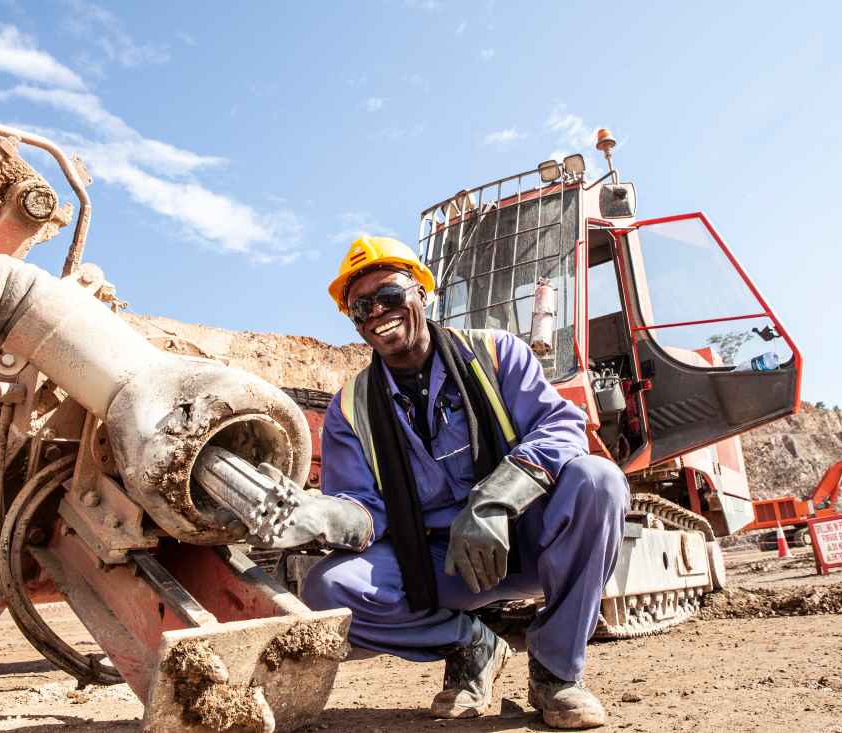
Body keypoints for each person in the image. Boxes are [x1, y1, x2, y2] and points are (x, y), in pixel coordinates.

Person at [265, 235, 629, 729]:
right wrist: (322, 515)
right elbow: (364, 507)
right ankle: (472, 645)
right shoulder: (349, 408)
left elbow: (562, 428)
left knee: (598, 480)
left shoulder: (497, 354)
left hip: (523, 540)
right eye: (361, 308)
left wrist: (497, 500)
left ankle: (556, 673)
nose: (376, 313)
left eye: (390, 296)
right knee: (329, 588)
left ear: (422, 292)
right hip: (438, 564)